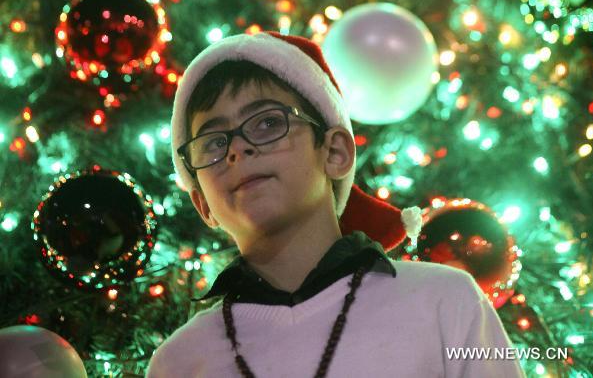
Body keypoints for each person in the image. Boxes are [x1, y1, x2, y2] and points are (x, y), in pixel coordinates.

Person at [146, 31, 524, 377]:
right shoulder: (179, 362)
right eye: (213, 143)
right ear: (202, 204)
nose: (238, 149)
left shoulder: (444, 301)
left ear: (336, 152)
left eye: (266, 123)